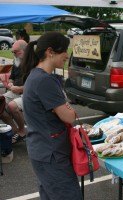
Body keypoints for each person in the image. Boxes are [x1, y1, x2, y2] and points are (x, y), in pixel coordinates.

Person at [22, 32, 82, 200]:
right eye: (64, 50)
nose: (66, 55)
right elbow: (69, 117)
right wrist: (70, 109)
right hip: (51, 154)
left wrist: (65, 107)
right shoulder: (44, 81)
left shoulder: (35, 75)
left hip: (42, 151)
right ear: (50, 52)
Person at [0, 40, 27, 144]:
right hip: (15, 91)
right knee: (0, 103)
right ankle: (14, 130)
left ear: (24, 50)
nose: (13, 54)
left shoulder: (34, 62)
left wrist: (19, 88)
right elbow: (12, 77)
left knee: (11, 105)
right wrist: (10, 83)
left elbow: (35, 86)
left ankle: (22, 131)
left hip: (28, 93)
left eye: (15, 52)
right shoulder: (16, 61)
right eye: (13, 52)